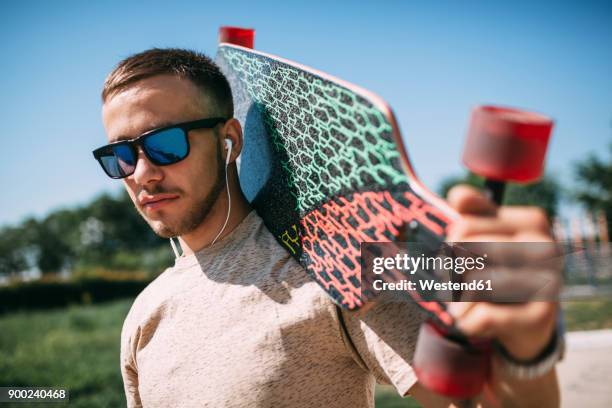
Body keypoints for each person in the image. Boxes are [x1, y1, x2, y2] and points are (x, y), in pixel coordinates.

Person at [93, 48, 562, 407]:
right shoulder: (143, 314)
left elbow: (479, 399)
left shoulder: (327, 259)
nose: (142, 173)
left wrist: (528, 352)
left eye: (165, 144)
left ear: (229, 139)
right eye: (120, 156)